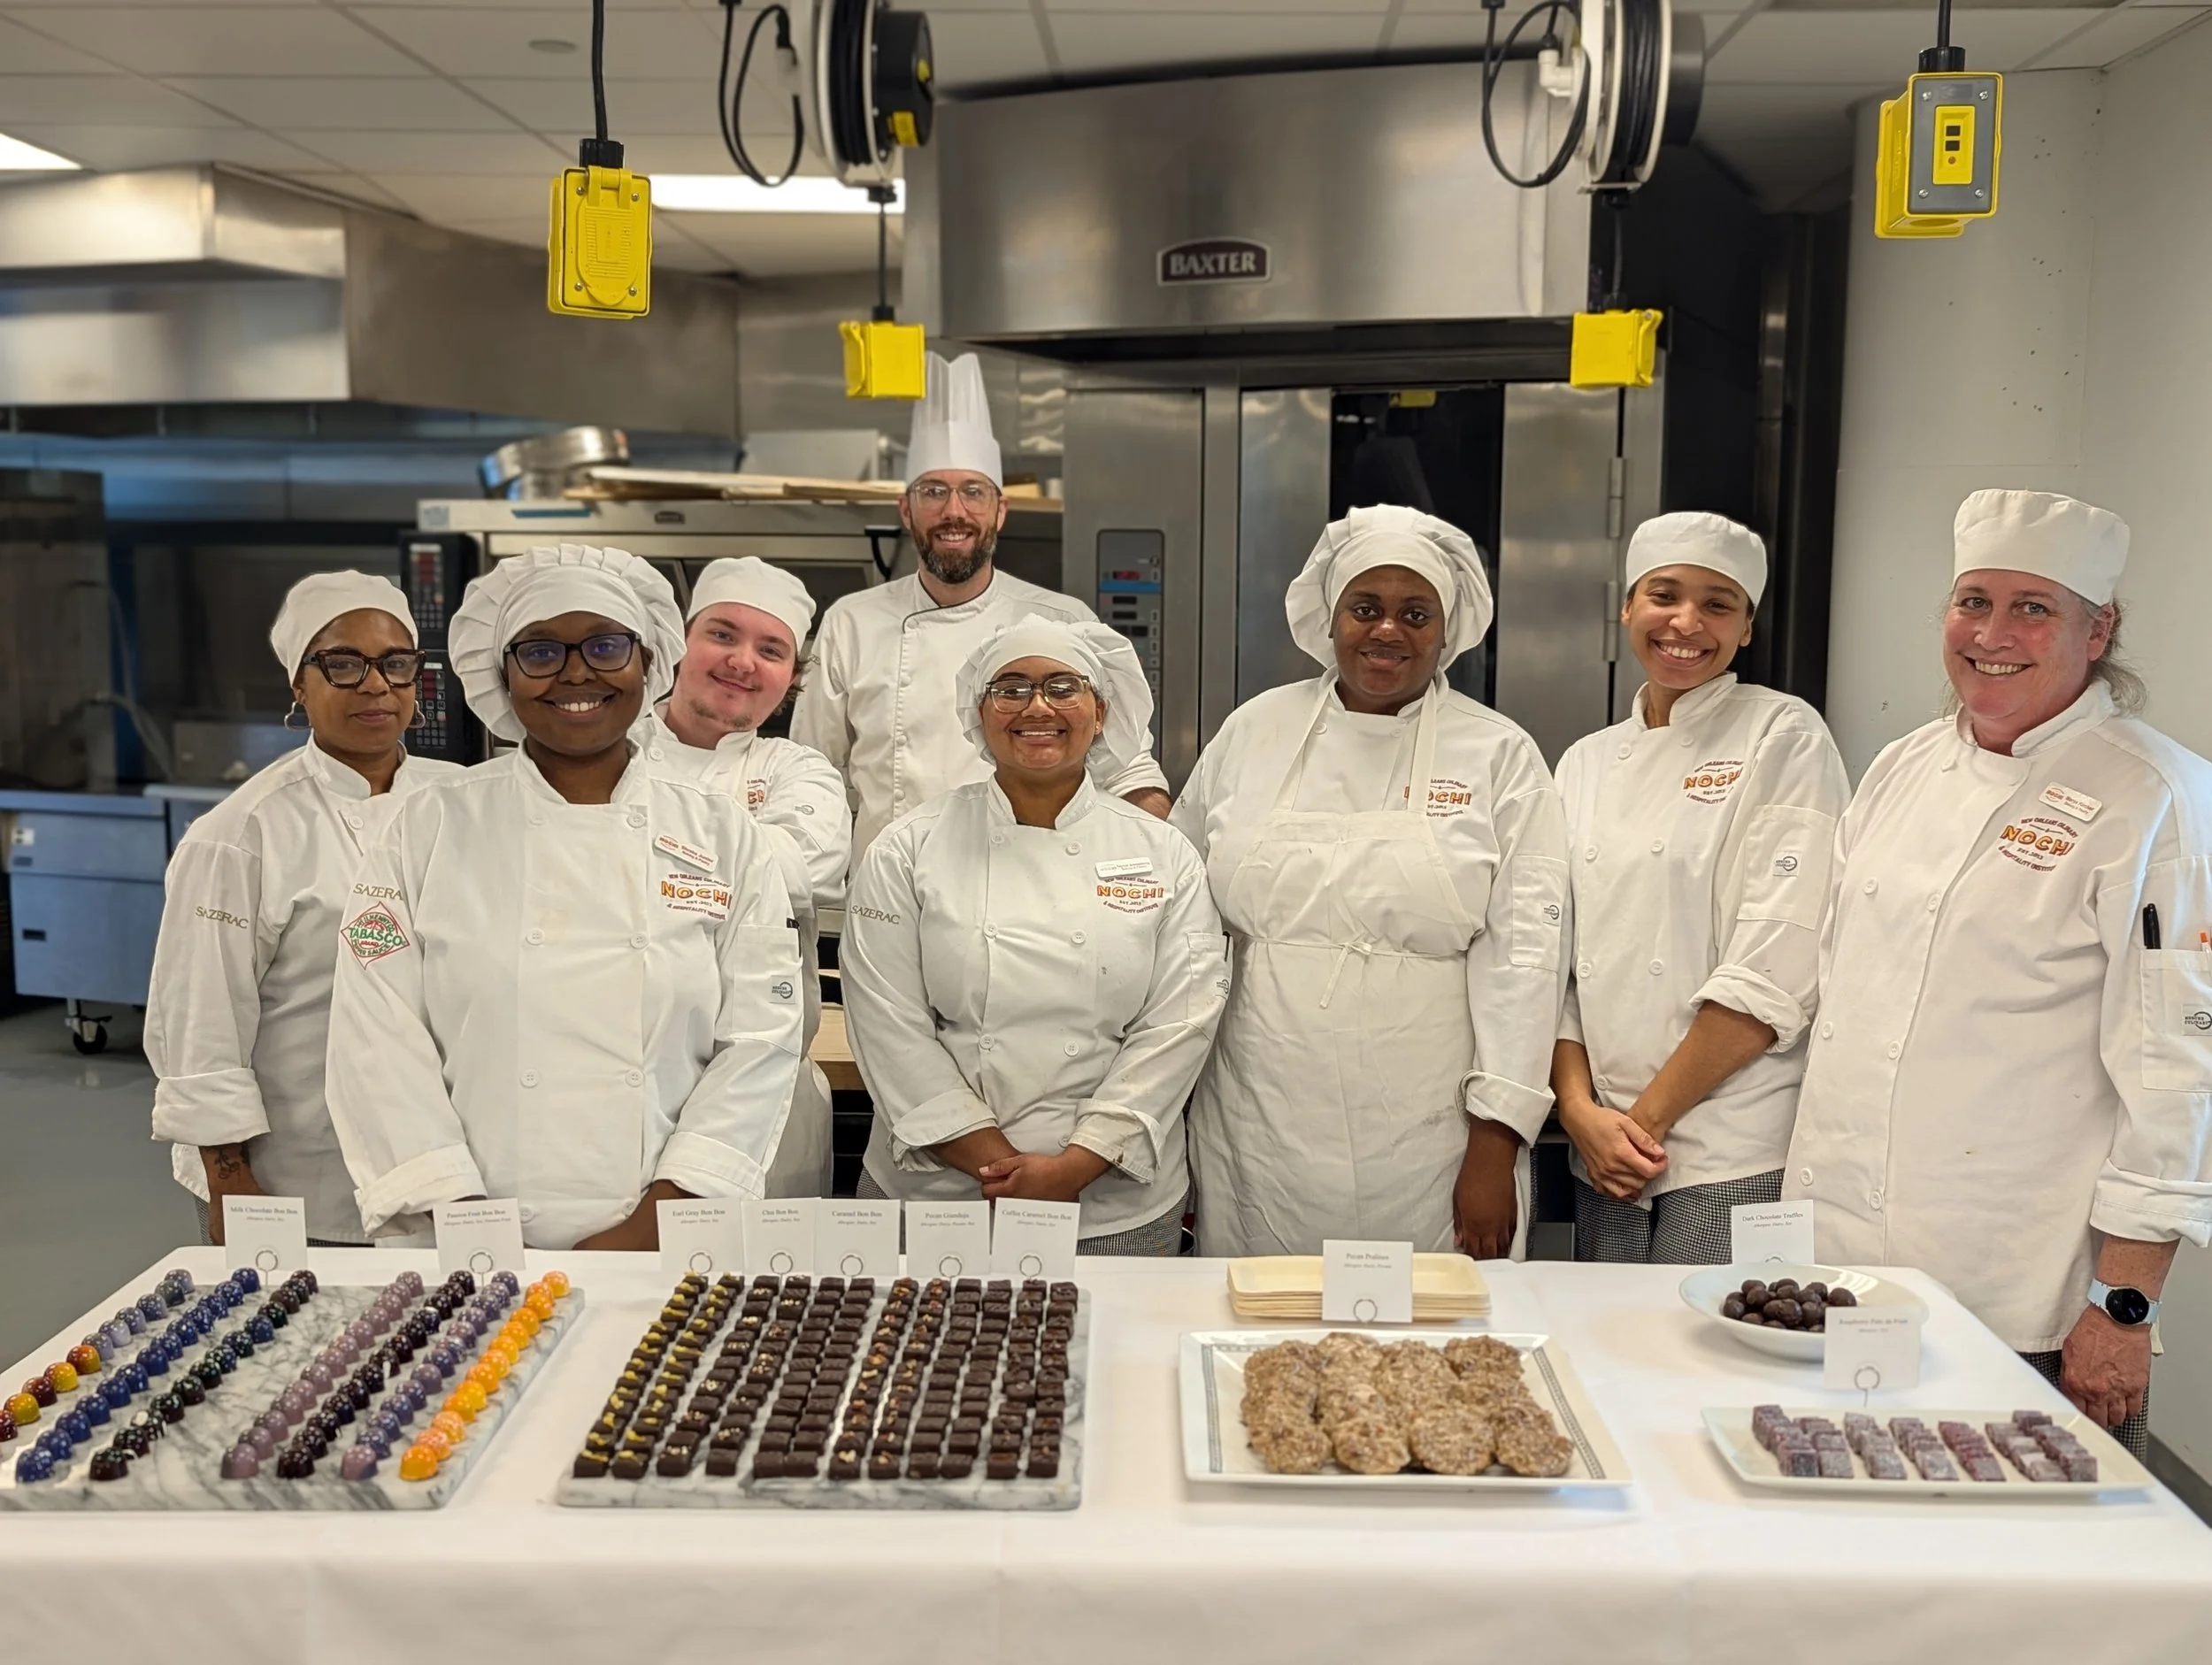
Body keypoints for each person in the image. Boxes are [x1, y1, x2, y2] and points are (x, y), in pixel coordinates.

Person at [1786, 490, 2212, 1456]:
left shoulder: (2158, 799)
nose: (1992, 633)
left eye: (2033, 608)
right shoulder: (1900, 768)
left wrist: (2123, 1308)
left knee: (2022, 1579)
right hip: (1844, 1272)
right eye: (1972, 600)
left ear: (2097, 629)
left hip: (2022, 1301)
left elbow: (2179, 1081)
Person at [326, 542, 804, 1251]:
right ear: (504, 676)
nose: (577, 672)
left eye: (608, 646)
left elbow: (761, 1040)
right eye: (541, 651)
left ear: (648, 664)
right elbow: (374, 1037)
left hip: (667, 1237)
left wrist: (652, 1225)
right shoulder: (429, 826)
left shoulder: (724, 833)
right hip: (463, 1242)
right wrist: (462, 1222)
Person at [1172, 505, 1569, 1259]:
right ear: (1330, 617)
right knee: (1264, 1327)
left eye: (1415, 614)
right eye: (1366, 608)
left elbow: (1526, 963)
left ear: (1446, 632)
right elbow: (1184, 912)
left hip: (1431, 1128)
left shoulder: (1499, 754)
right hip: (1260, 1109)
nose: (1387, 631)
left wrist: (1495, 1145)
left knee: (1432, 1344)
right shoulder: (1256, 731)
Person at [840, 618, 1227, 1254]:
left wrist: (1075, 1165)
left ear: (1100, 711)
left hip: (1108, 1206)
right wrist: (998, 1165)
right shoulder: (910, 846)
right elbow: (887, 1026)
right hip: (940, 1199)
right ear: (981, 713)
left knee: (1109, 1355)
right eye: (1011, 688)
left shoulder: (1164, 854)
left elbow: (1180, 1023)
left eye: (1062, 686)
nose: (1036, 707)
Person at [1552, 513, 1849, 1262]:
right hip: (1602, 1146)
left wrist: (1640, 1124)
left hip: (1731, 1144)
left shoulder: (1784, 735)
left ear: (1747, 628)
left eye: (1719, 604)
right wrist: (1580, 1112)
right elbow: (1551, 960)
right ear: (1627, 608)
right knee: (1612, 1364)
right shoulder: (1584, 762)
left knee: (1715, 1370)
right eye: (1664, 595)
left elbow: (1779, 963)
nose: (1687, 622)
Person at [146, 572, 464, 1247]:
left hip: (455, 1175)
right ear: (299, 682)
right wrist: (231, 1185)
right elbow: (200, 1028)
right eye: (343, 664)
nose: (375, 685)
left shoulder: (463, 803)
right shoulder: (241, 835)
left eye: (396, 664)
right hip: (308, 1187)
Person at [793, 351, 1171, 859]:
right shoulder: (852, 621)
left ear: (1000, 511)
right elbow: (814, 773)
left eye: (974, 492)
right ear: (906, 510)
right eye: (934, 492)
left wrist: (1162, 855)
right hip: (888, 889)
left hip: (1032, 880)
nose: (954, 512)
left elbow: (1125, 764)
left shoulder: (1062, 620)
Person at [641, 556, 850, 1195]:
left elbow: (799, 867)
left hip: (769, 1108)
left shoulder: (800, 771)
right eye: (723, 635)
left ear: (790, 679)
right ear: (679, 643)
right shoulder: (608, 752)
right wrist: (731, 852)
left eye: (771, 649)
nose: (742, 662)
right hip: (621, 1097)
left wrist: (636, 848)